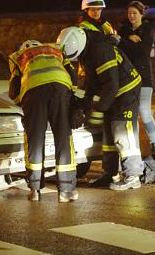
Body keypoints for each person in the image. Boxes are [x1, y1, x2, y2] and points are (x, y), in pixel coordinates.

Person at [56, 26, 145, 191]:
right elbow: (92, 80)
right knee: (109, 132)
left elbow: (111, 84)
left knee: (122, 130)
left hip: (126, 90)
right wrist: (86, 103)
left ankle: (133, 175)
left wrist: (99, 109)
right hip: (113, 91)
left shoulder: (100, 51)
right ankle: (110, 173)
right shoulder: (87, 50)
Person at [8, 40, 79, 202]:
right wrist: (69, 95)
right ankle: (66, 191)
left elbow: (13, 91)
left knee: (35, 141)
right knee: (63, 138)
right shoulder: (55, 49)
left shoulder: (18, 56)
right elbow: (73, 76)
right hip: (59, 88)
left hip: (33, 93)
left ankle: (34, 190)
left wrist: (23, 102)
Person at [117, 1, 155, 162]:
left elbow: (142, 52)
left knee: (144, 111)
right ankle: (133, 147)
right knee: (131, 115)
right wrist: (129, 39)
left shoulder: (147, 30)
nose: (131, 16)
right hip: (127, 79)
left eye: (135, 13)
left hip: (144, 79)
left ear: (142, 14)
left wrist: (125, 42)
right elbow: (121, 49)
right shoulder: (123, 31)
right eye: (129, 13)